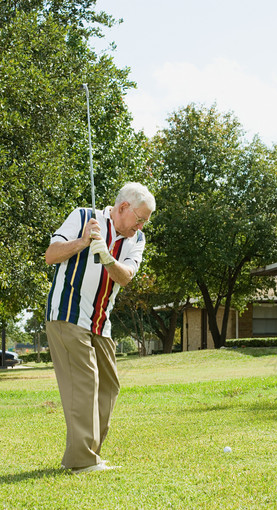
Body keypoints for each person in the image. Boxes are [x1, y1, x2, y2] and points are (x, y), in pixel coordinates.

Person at [45, 182, 156, 474]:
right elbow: (51, 254)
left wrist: (106, 256)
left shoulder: (137, 239)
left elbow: (127, 275)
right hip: (67, 315)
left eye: (144, 221)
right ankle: (82, 461)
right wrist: (83, 242)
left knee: (108, 386)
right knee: (85, 382)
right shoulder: (83, 217)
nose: (141, 225)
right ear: (123, 208)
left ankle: (86, 454)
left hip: (100, 323)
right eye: (140, 218)